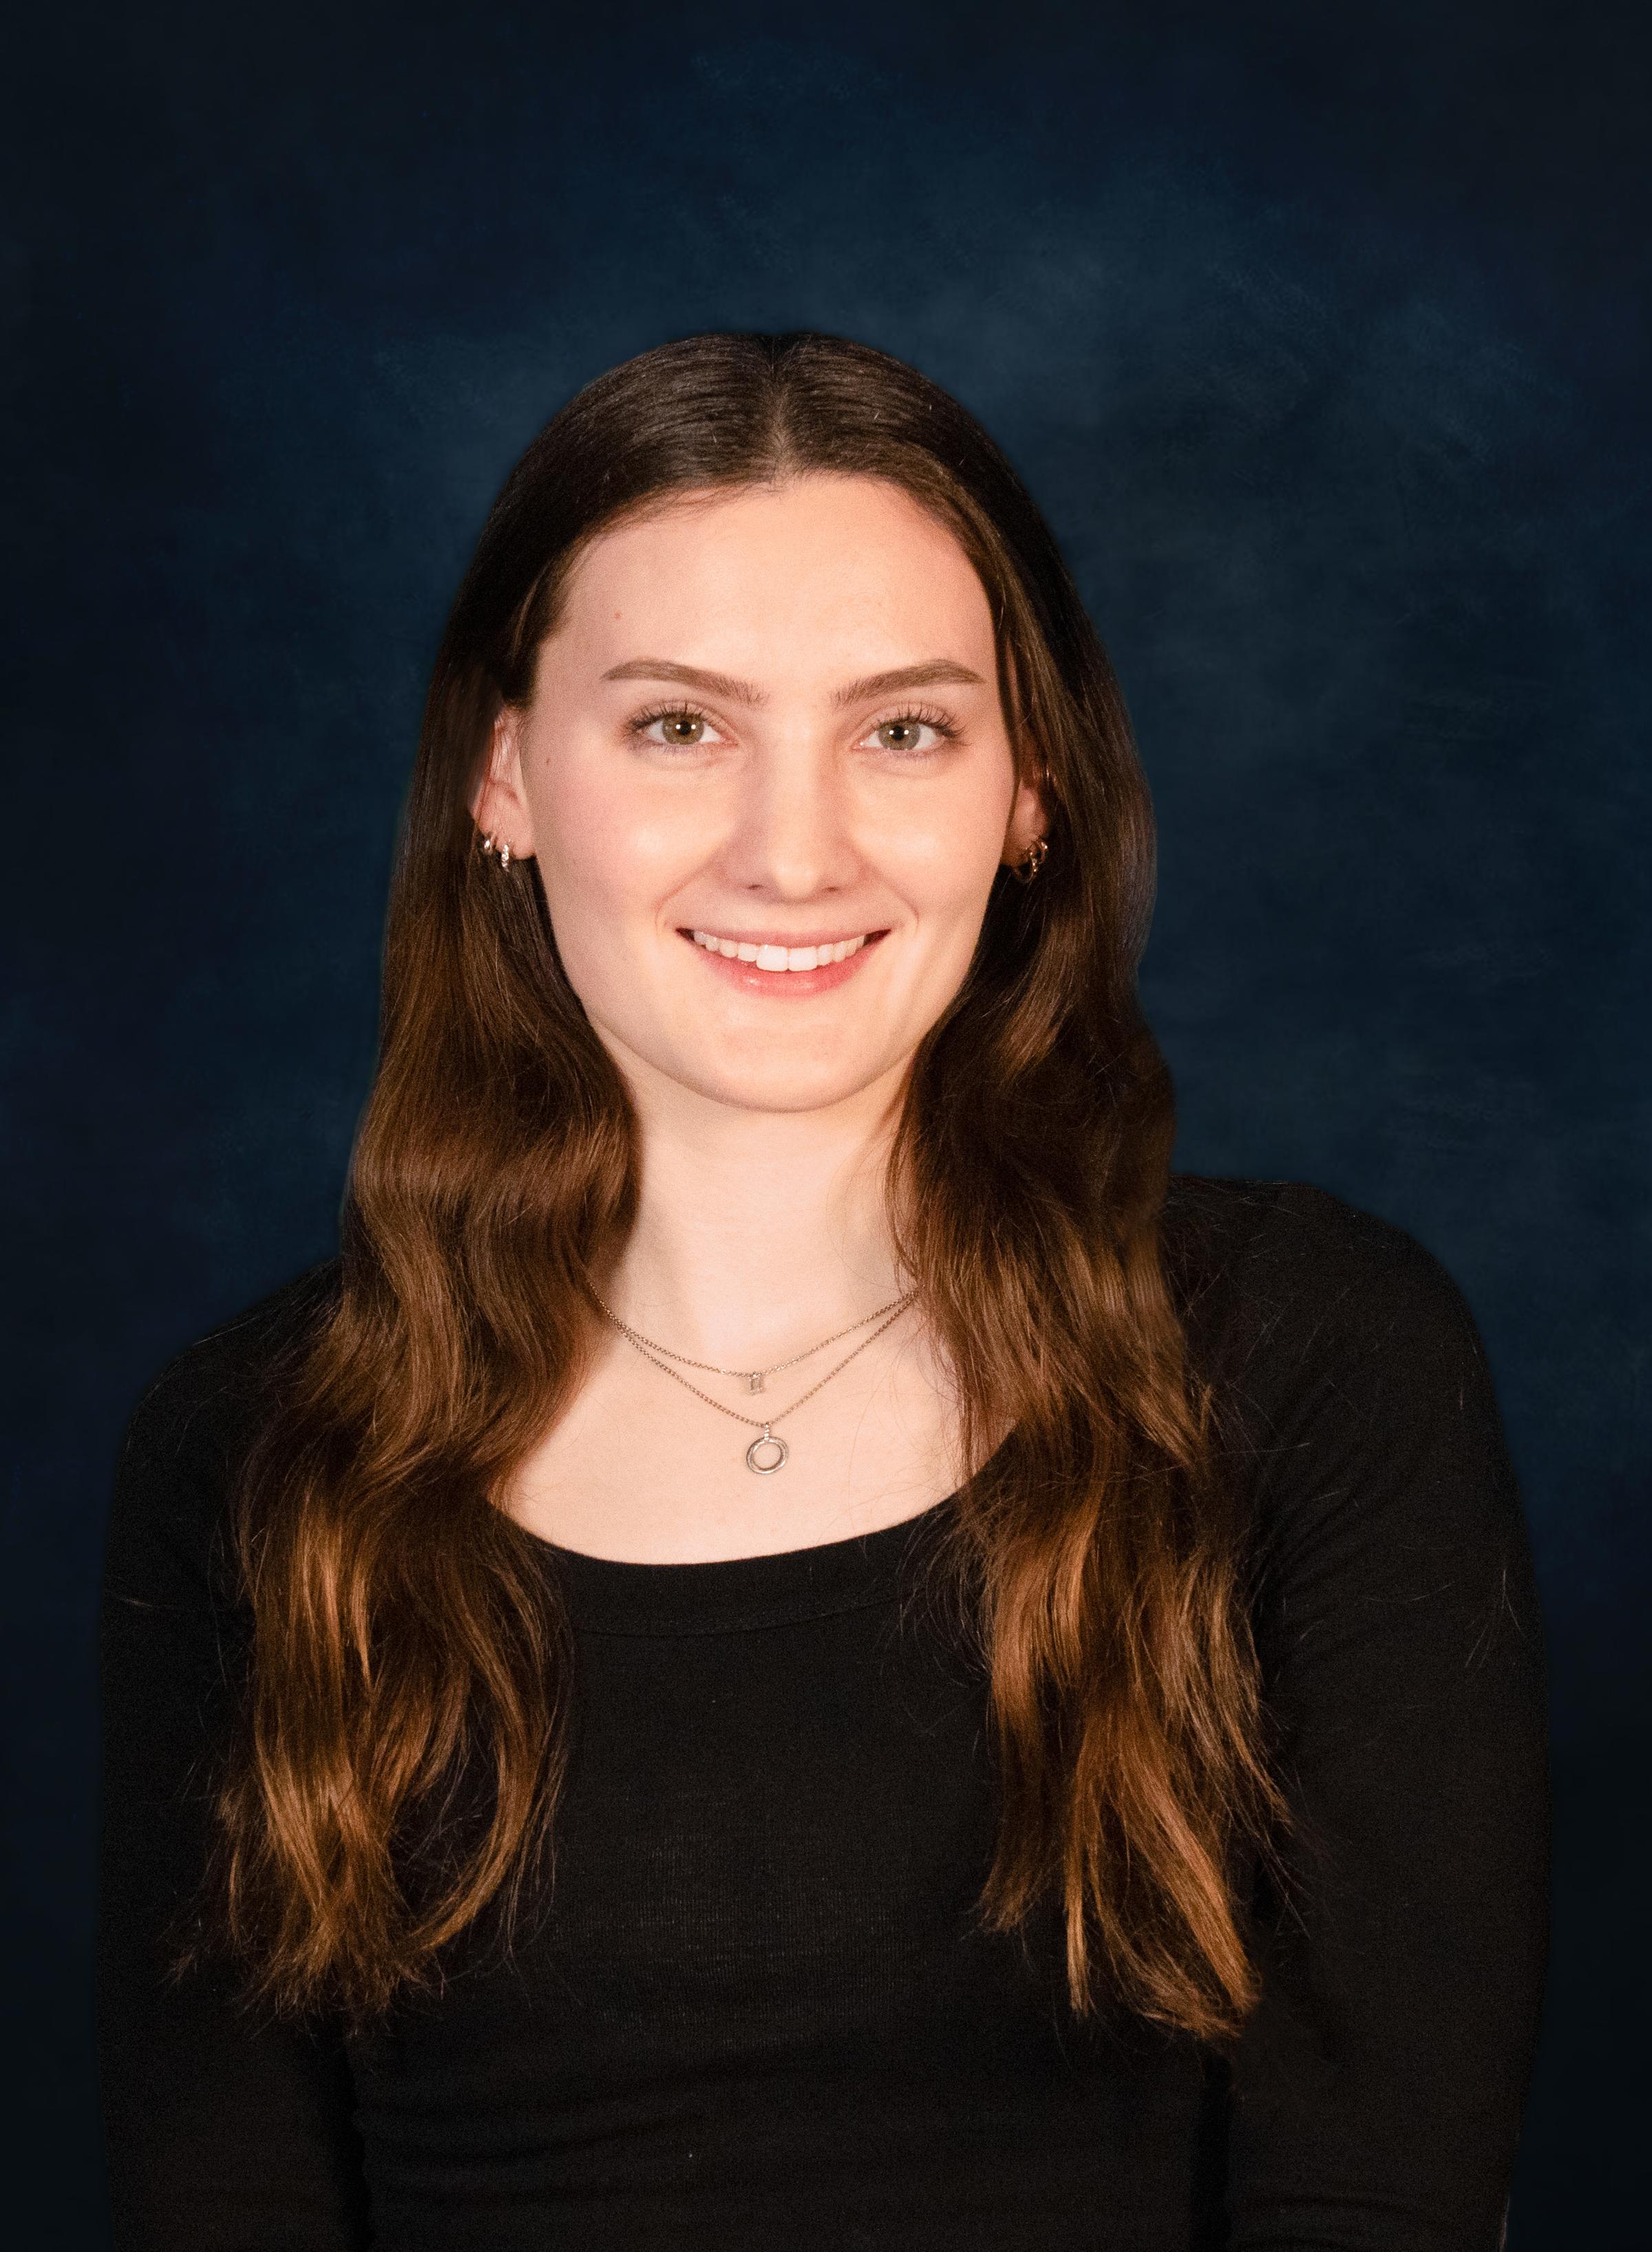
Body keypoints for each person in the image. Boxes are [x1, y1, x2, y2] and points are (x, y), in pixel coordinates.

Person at [96, 331, 1549, 2251]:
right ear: (505, 776)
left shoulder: (1314, 1361)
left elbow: (1380, 2194)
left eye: (906, 730)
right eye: (680, 725)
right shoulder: (254, 1451)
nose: (797, 853)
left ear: (1029, 794)